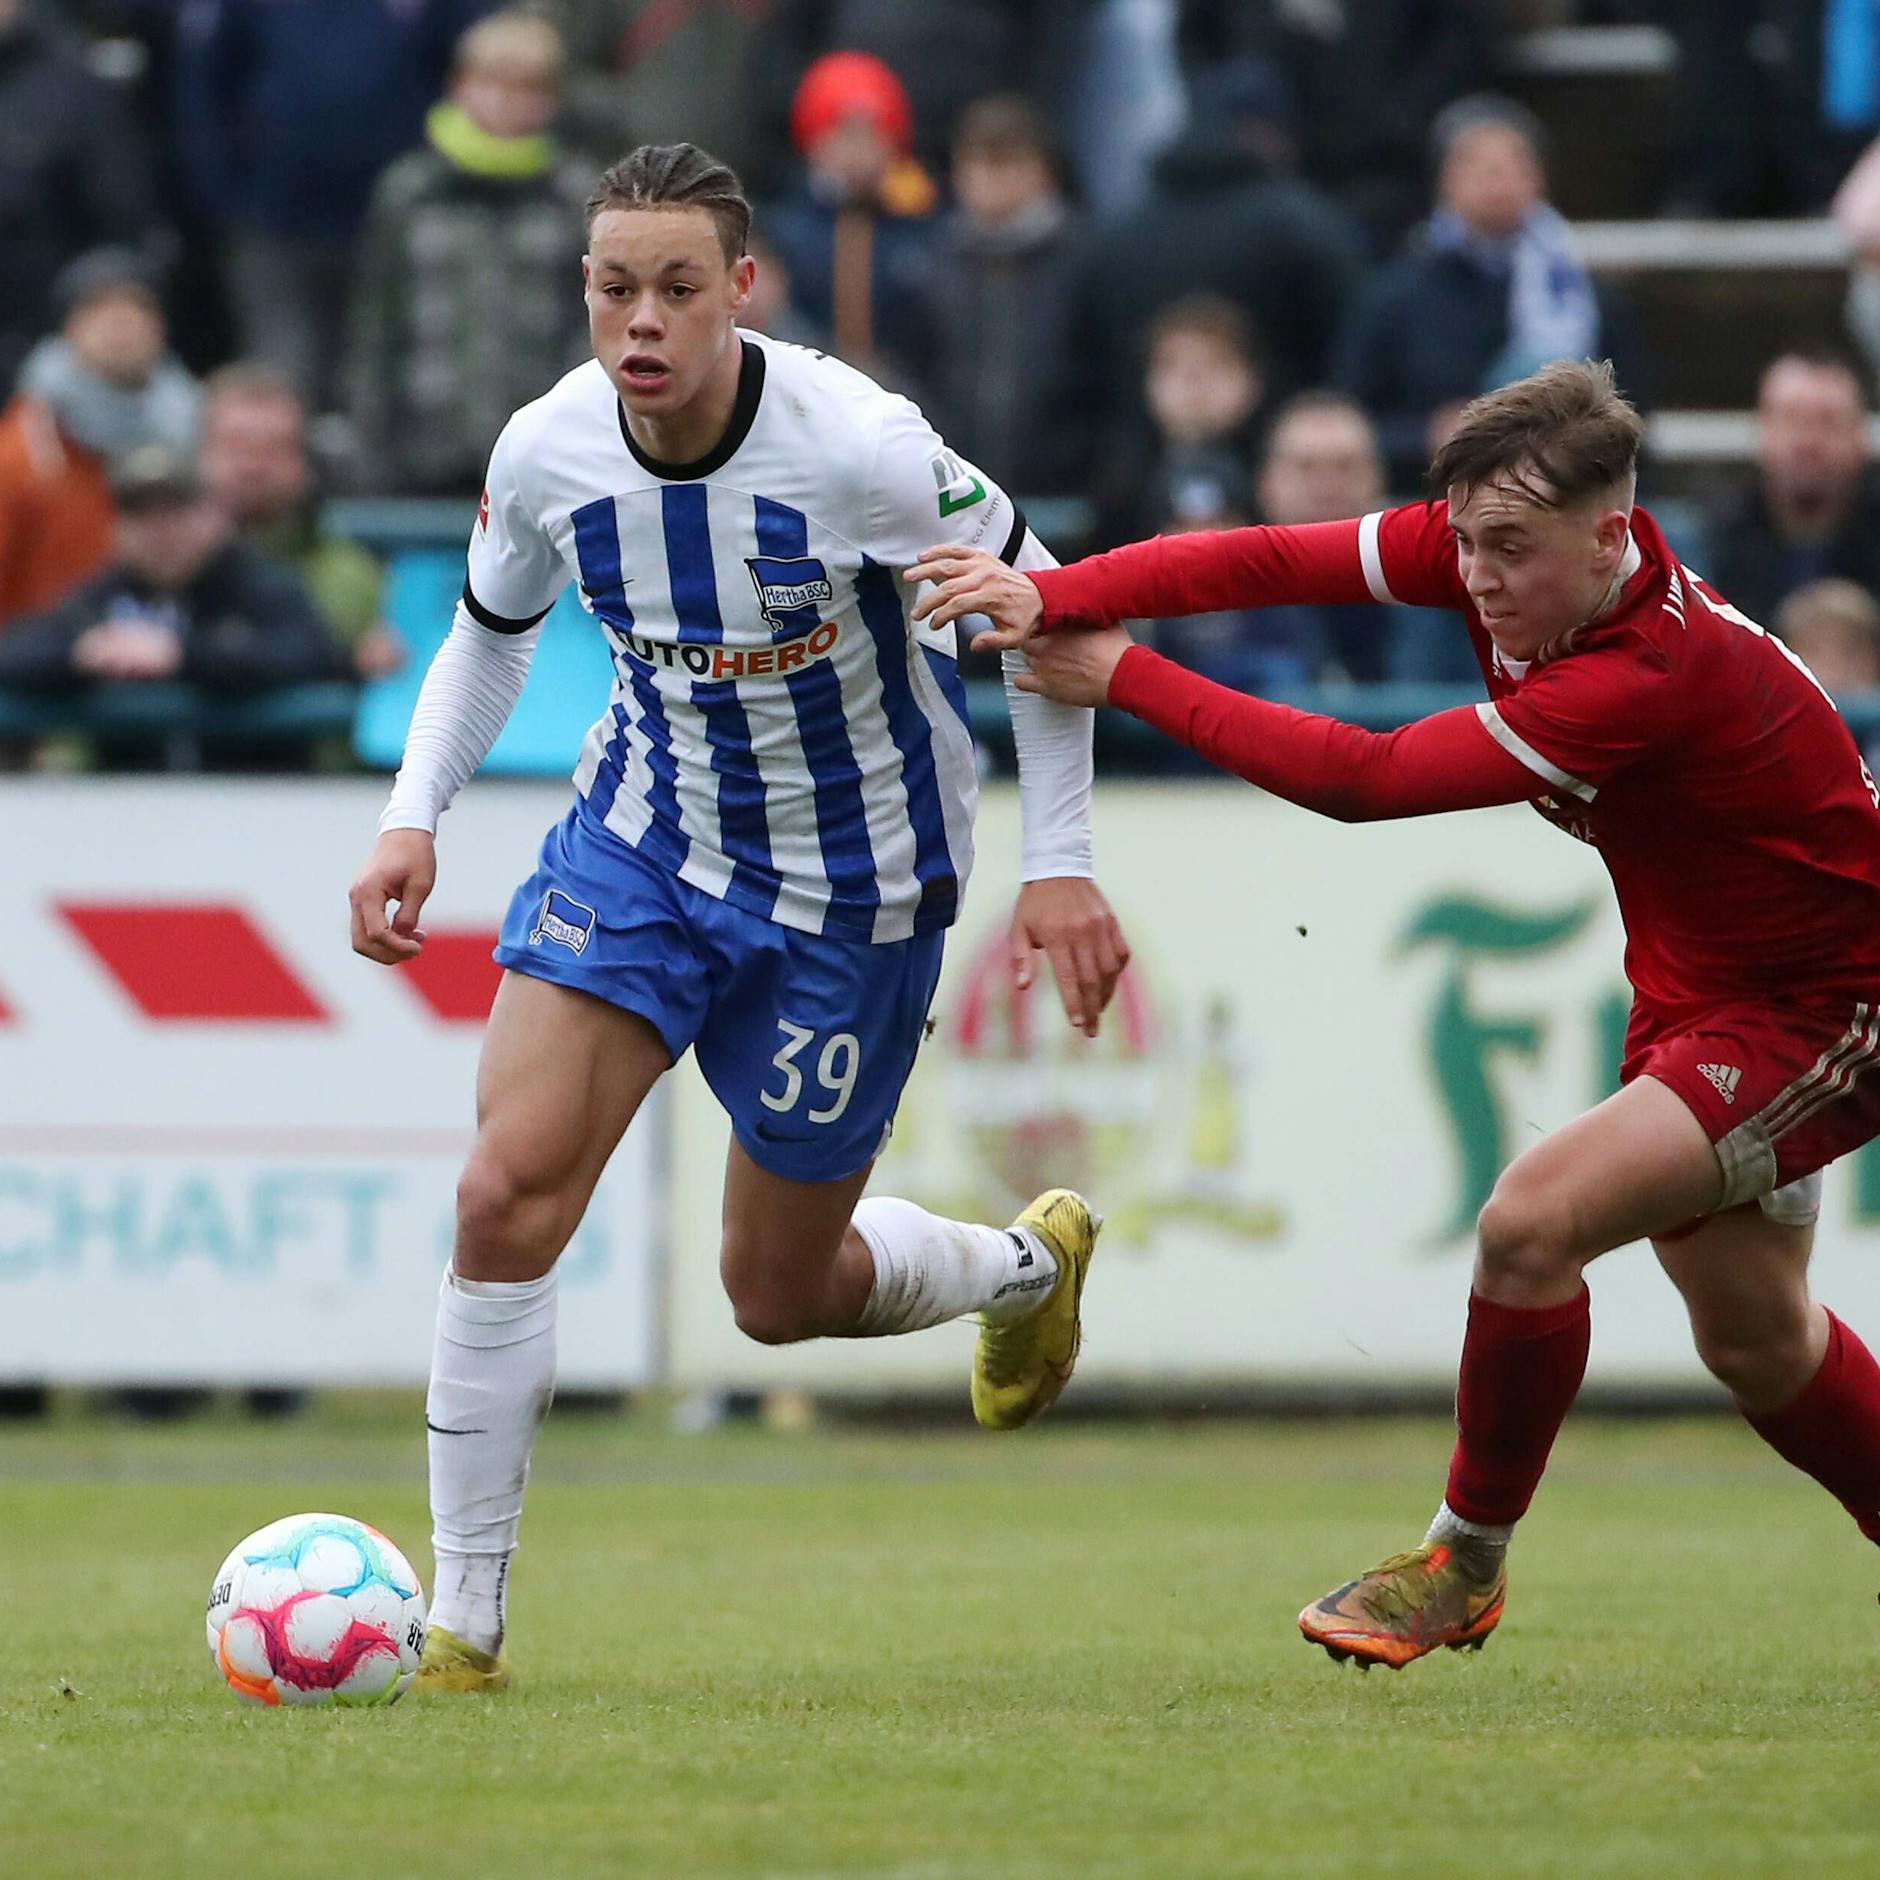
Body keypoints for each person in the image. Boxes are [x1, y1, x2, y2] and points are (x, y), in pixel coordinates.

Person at [909, 357, 1880, 1670]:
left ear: (1612, 536)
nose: (1476, 574)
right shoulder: (1504, 550)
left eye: (1509, 550)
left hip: (1829, 1003)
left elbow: (1362, 778)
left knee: (1529, 1225)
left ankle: (1459, 1567)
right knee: (1760, 1340)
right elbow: (1259, 563)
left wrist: (1123, 673)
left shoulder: (1642, 675)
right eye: (1465, 539)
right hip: (1697, 989)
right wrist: (1056, 594)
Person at [347, 143, 1129, 1694]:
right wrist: (410, 814)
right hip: (642, 846)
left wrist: (1062, 859)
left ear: (741, 292)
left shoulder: (867, 449)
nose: (641, 320)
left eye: (677, 289)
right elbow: (489, 637)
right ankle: (462, 1624)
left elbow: (1054, 617)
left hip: (860, 891)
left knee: (776, 1297)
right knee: (505, 1195)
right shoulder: (552, 449)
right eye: (613, 288)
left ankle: (1024, 1271)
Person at [1337, 95, 1640, 494]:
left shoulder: (1587, 297)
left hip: (1562, 498)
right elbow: (1348, 420)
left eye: (1515, 167)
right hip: (1429, 500)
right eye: (1479, 167)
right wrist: (1428, 436)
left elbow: (1632, 418)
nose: (1498, 182)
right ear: (1446, 179)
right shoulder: (1394, 295)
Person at [347, 9, 593, 497]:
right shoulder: (409, 192)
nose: (506, 102)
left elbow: (586, 329)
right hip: (424, 455)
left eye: (527, 88)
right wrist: (373, 448)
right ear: (458, 86)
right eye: (491, 83)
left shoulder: (575, 197)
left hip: (539, 453)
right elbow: (376, 327)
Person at [0, 444, 355, 767]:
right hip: (126, 812)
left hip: (259, 802)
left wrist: (182, 655)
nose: (161, 531)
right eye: (142, 515)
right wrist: (83, 653)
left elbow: (309, 652)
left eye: (176, 511)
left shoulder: (260, 585)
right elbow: (16, 653)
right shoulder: (102, 597)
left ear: (213, 514)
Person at [0, 249, 199, 628]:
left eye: (138, 306)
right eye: (97, 307)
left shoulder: (199, 431)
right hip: (41, 668)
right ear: (67, 328)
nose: (120, 321)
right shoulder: (21, 451)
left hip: (177, 661)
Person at [199, 365, 402, 679]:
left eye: (273, 449)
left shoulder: (354, 576)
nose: (252, 467)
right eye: (234, 446)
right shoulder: (152, 574)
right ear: (200, 454)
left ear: (305, 463)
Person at [761, 51, 940, 393]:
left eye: (875, 133)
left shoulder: (926, 227)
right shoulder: (782, 232)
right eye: (843, 132)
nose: (860, 149)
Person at [1700, 350, 1880, 631]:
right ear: (1763, 430)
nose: (1808, 442)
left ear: (1860, 436)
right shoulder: (1709, 544)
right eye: (1791, 419)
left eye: (1828, 421)